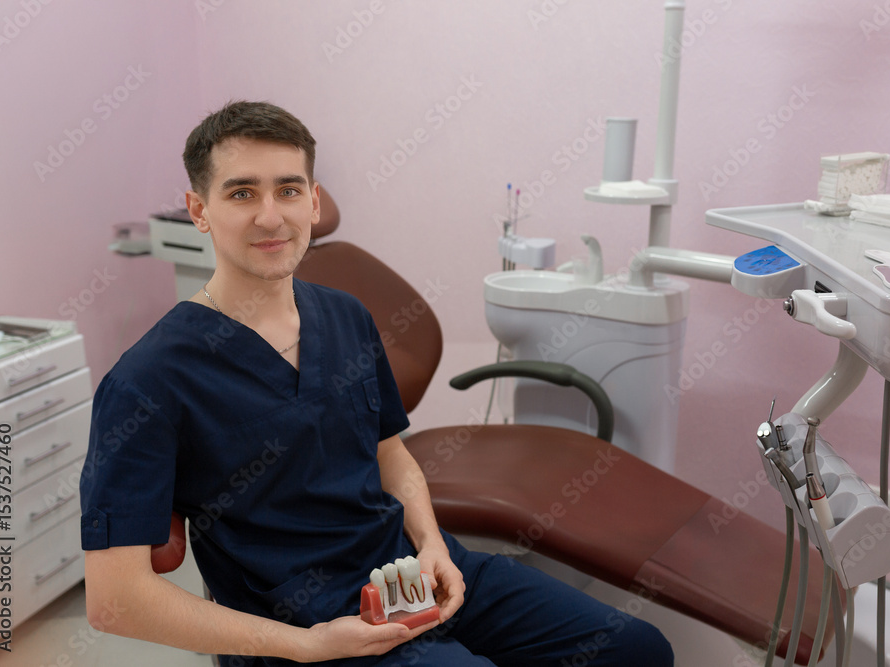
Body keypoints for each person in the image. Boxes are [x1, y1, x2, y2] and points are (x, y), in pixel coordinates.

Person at [80, 100, 674, 666]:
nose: (271, 216)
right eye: (241, 193)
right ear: (199, 210)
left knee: (637, 650)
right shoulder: (148, 380)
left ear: (313, 201)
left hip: (408, 574)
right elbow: (115, 600)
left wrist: (432, 543)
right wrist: (306, 644)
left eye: (288, 189)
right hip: (304, 628)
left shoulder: (346, 316)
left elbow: (391, 454)